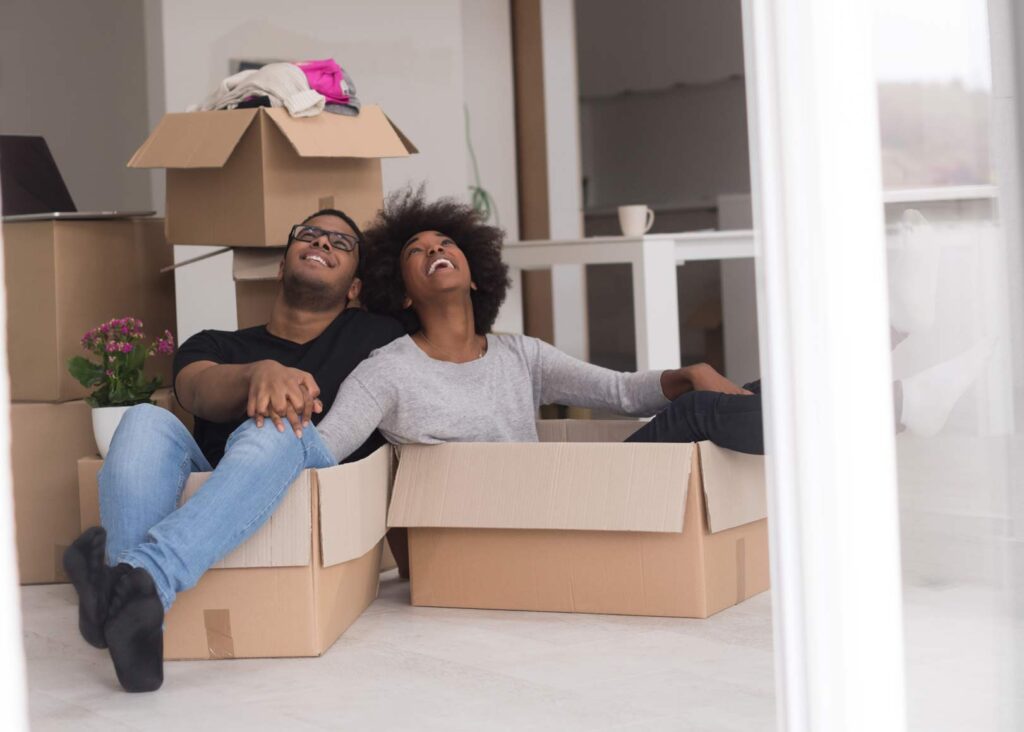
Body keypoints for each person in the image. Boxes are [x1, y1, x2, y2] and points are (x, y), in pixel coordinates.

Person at [63, 208, 405, 692]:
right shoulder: (217, 343)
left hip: (310, 467)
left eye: (341, 243)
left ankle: (136, 578)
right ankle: (136, 629)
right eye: (309, 234)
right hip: (225, 478)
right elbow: (194, 391)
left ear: (354, 288)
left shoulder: (376, 334)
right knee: (142, 418)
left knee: (279, 425)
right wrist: (256, 373)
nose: (323, 242)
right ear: (282, 266)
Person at [310, 188, 764, 471]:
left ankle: (805, 428)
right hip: (503, 526)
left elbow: (621, 393)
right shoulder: (389, 371)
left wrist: (687, 375)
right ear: (402, 292)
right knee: (700, 413)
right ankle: (816, 438)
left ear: (473, 275)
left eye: (445, 243)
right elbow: (324, 449)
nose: (435, 249)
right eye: (417, 250)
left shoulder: (520, 356)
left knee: (756, 390)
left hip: (553, 501)